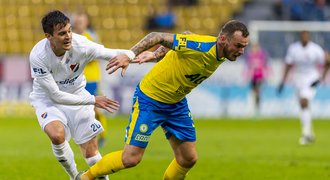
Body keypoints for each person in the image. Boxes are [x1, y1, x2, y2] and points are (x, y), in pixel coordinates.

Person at [76, 20, 249, 180]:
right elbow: (155, 36)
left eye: (244, 47)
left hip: (176, 104)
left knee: (188, 158)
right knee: (131, 158)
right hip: (150, 99)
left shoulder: (217, 50)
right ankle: (85, 177)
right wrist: (129, 55)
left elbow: (186, 34)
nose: (241, 51)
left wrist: (156, 55)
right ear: (223, 39)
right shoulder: (201, 47)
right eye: (238, 46)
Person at [29, 10, 135, 179]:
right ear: (48, 36)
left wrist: (133, 54)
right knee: (57, 135)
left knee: (92, 156)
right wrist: (92, 100)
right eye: (62, 33)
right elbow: (56, 95)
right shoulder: (38, 55)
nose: (68, 36)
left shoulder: (82, 45)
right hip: (48, 99)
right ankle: (74, 176)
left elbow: (109, 53)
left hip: (77, 93)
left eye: (69, 31)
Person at [278, 31, 330, 145]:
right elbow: (288, 65)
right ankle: (310, 133)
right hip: (298, 80)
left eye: (306, 36)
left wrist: (322, 77)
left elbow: (327, 61)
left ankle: (306, 134)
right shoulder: (293, 48)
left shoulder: (315, 49)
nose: (304, 37)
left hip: (311, 79)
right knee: (303, 107)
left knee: (304, 102)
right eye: (302, 36)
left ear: (309, 37)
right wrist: (283, 81)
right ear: (300, 37)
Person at [73, 11, 108, 148]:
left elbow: (99, 56)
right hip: (77, 79)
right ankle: (89, 136)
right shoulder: (72, 37)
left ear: (86, 23)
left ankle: (101, 135)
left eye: (81, 22)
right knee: (82, 109)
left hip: (92, 78)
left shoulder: (91, 37)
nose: (78, 24)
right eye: (76, 22)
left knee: (94, 109)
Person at [245, 42, 269, 114]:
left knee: (257, 92)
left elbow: (265, 64)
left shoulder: (261, 55)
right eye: (253, 47)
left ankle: (257, 109)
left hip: (259, 77)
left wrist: (266, 74)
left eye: (256, 47)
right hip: (253, 77)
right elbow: (248, 66)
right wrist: (247, 75)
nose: (254, 49)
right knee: (253, 93)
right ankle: (253, 108)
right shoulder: (250, 55)